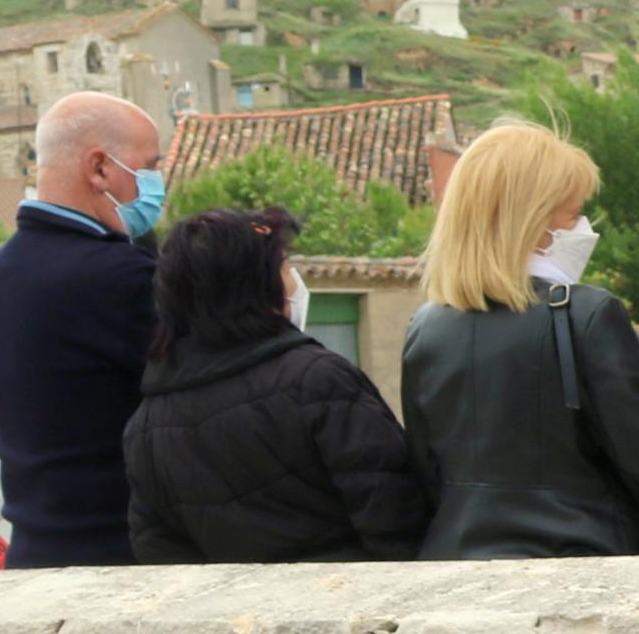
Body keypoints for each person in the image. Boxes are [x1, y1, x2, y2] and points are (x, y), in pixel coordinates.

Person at [402, 122, 639, 557]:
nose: (584, 227)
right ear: (533, 221)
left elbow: (427, 469)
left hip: (456, 567)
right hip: (584, 560)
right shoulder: (588, 313)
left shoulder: (425, 329)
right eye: (574, 213)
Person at [122, 210, 427, 563]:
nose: (293, 281)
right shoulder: (320, 383)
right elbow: (398, 520)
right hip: (348, 608)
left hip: (234, 616)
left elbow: (159, 556)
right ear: (255, 284)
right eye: (283, 267)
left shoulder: (146, 427)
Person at [0, 92, 165, 567]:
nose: (157, 184)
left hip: (35, 550)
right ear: (99, 167)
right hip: (118, 558)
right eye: (150, 167)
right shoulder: (120, 276)